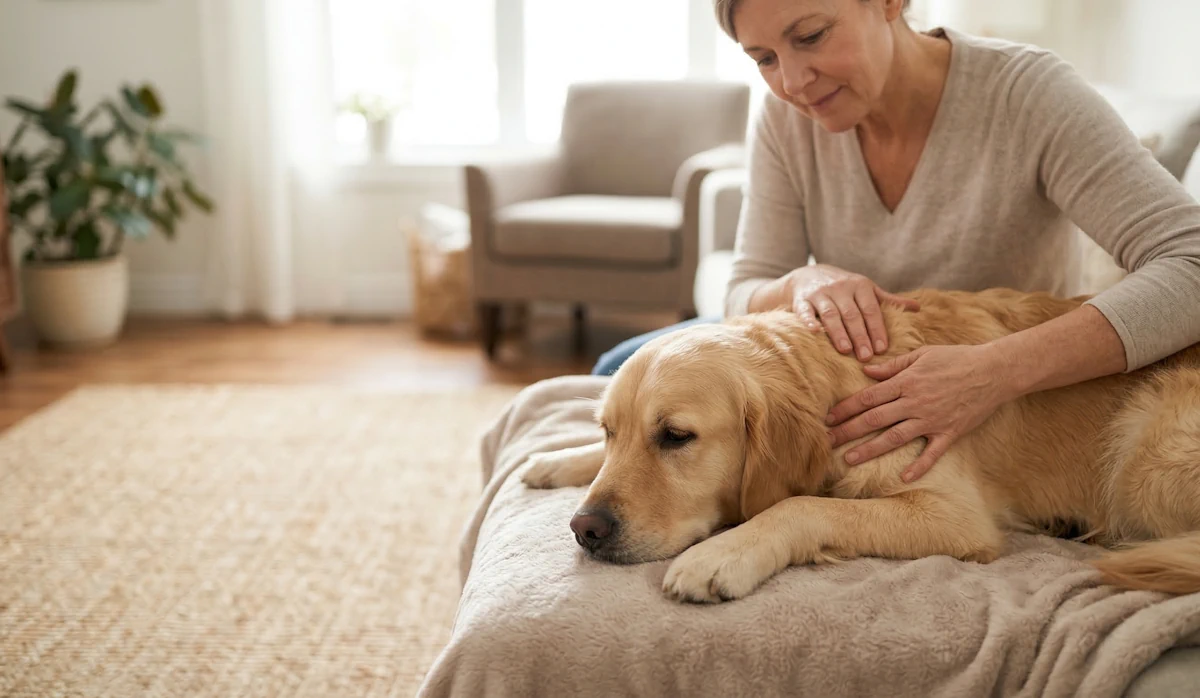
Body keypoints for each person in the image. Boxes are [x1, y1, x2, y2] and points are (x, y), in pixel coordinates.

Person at [591, 0, 1200, 484]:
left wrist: (992, 371)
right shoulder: (785, 119)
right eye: (764, 58)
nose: (793, 82)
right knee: (619, 368)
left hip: (1005, 395)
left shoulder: (1028, 94)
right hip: (844, 372)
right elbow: (744, 290)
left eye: (811, 36)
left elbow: (1190, 261)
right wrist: (802, 280)